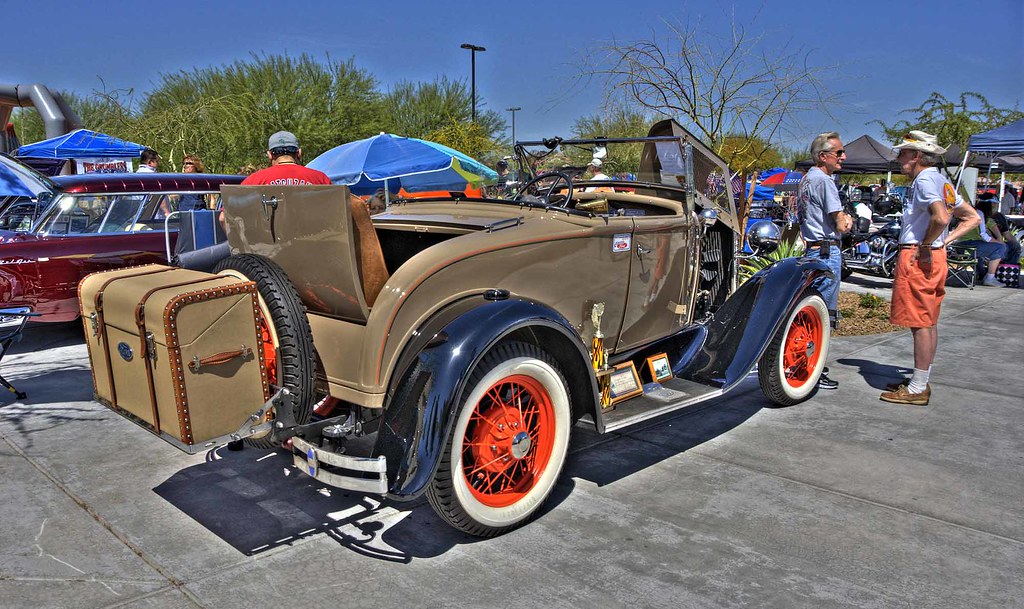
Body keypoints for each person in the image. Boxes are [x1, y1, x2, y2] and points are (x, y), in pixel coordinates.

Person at [880, 131, 979, 406]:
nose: (899, 158)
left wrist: (927, 243)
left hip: (919, 255)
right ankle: (919, 380)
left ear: (917, 156)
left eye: (903, 153)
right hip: (935, 255)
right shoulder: (940, 179)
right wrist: (942, 241)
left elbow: (941, 216)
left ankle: (917, 387)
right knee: (929, 320)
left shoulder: (924, 180)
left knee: (920, 323)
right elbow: (971, 217)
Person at [796, 131, 853, 390]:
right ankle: (814, 370)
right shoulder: (826, 181)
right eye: (839, 152)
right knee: (823, 317)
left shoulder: (806, 180)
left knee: (810, 313)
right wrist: (848, 221)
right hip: (827, 251)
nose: (843, 156)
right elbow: (840, 223)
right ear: (823, 156)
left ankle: (806, 365)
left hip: (812, 250)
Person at [241, 131, 331, 186]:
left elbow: (233, 210)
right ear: (299, 153)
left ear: (269, 155)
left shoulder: (253, 181)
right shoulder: (321, 179)